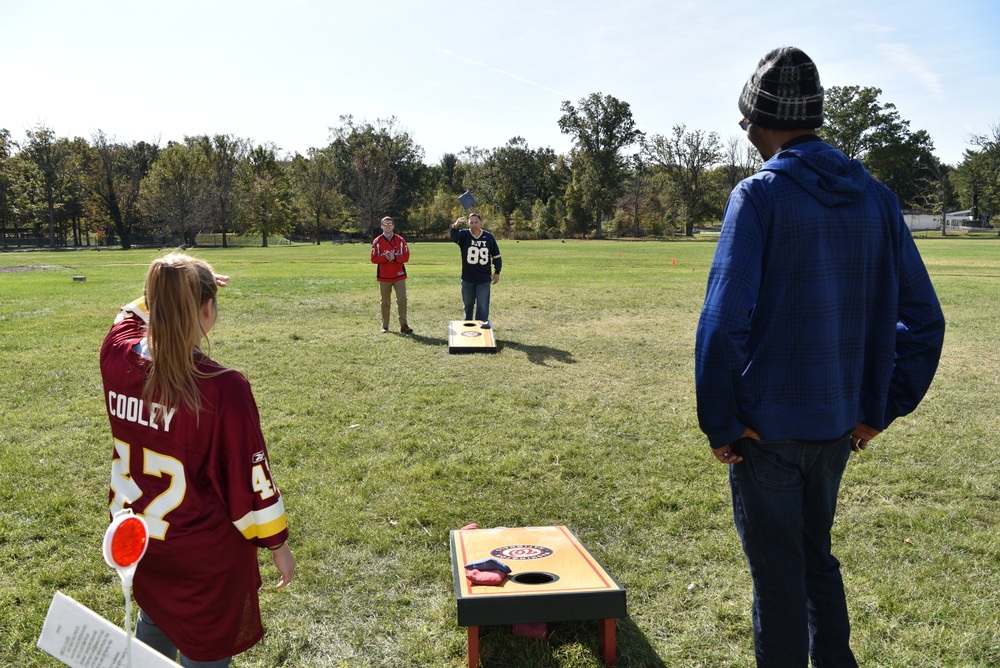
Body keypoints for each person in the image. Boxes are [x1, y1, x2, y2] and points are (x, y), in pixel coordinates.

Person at [695, 47, 945, 667]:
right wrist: (878, 408)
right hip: (837, 426)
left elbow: (723, 325)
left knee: (779, 579)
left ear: (758, 120)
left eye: (745, 121)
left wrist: (720, 421)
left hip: (767, 434)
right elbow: (926, 322)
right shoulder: (878, 199)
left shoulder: (757, 196)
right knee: (815, 560)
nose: (746, 133)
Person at [100, 253, 295, 668]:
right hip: (200, 557)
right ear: (207, 310)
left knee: (155, 620)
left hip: (142, 542)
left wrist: (167, 283)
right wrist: (277, 543)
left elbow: (126, 316)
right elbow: (250, 480)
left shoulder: (116, 356)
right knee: (202, 652)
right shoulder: (222, 388)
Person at [450, 212, 502, 327]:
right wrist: (456, 225)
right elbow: (454, 236)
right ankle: (468, 328)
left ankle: (481, 330)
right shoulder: (464, 235)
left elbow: (496, 256)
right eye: (471, 222)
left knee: (482, 306)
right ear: (468, 224)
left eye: (476, 222)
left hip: (483, 278)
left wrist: (497, 272)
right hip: (468, 278)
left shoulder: (488, 237)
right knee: (468, 305)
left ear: (481, 223)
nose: (474, 225)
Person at [371, 216, 412, 334]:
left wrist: (395, 258)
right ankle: (385, 326)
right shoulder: (377, 241)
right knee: (385, 301)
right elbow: (373, 259)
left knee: (402, 299)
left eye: (389, 225)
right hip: (384, 276)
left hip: (399, 275)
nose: (387, 227)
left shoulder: (400, 240)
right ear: (381, 227)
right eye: (385, 225)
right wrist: (385, 257)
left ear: (393, 226)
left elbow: (406, 257)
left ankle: (404, 325)